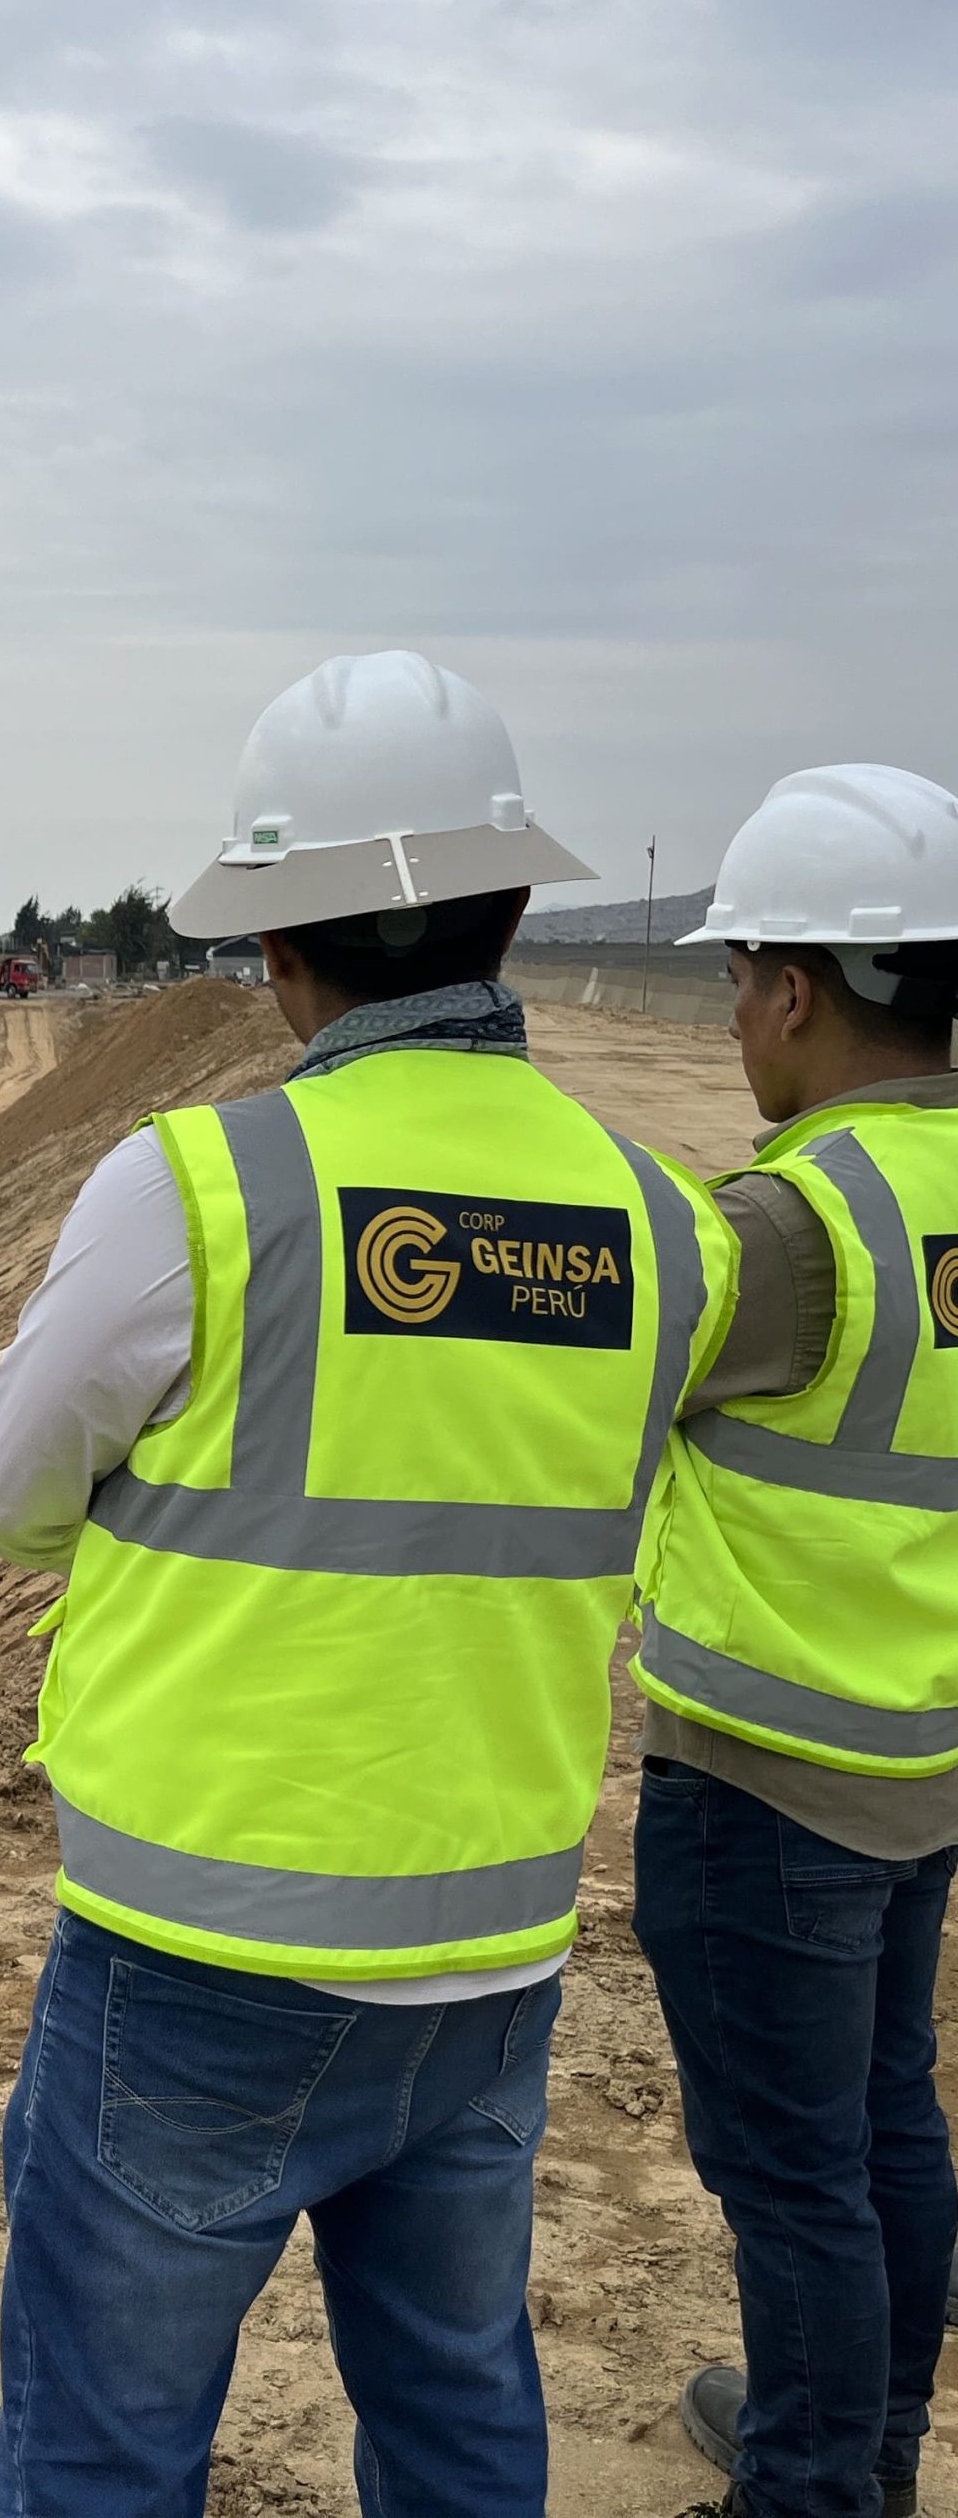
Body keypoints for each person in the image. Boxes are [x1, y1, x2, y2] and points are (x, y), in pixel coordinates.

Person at [0, 649, 738, 2518]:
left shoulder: (202, 1190)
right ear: (519, 908)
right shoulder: (663, 1225)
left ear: (279, 952)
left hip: (200, 1951)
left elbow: (2, 1491)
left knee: (106, 2447)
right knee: (460, 2417)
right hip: (489, 1953)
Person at [629, 765, 958, 2518]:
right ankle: (870, 2448)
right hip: (920, 1758)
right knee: (889, 2127)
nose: (740, 1007)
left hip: (767, 1791)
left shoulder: (790, 1226)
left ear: (801, 993)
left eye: (745, 974)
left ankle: (816, 2486)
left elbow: (598, 1396)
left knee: (792, 2174)